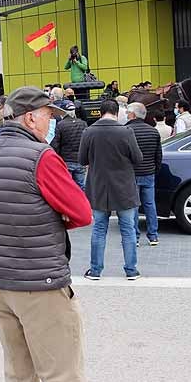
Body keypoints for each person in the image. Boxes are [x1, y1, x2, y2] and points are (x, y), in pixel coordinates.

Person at [0, 86, 93, 382]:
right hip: (41, 281)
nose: (50, 124)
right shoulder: (40, 156)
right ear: (30, 117)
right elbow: (82, 211)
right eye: (48, 117)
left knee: (19, 380)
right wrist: (57, 219)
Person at [81, 99, 143, 280]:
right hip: (124, 188)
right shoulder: (126, 131)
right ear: (117, 113)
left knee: (99, 229)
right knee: (128, 229)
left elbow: (82, 159)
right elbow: (137, 158)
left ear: (100, 113)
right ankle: (131, 270)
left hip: (99, 187)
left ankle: (95, 270)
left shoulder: (89, 131)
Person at [126, 103, 162, 246]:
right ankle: (153, 235)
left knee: (133, 206)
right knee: (150, 204)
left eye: (128, 112)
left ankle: (135, 237)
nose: (127, 115)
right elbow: (158, 155)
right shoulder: (153, 131)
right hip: (149, 173)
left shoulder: (127, 130)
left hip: (131, 173)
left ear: (133, 115)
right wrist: (154, 169)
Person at [50, 99, 87, 190]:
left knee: (68, 187)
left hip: (66, 160)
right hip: (80, 160)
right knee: (81, 186)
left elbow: (55, 144)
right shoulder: (83, 124)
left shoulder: (60, 125)